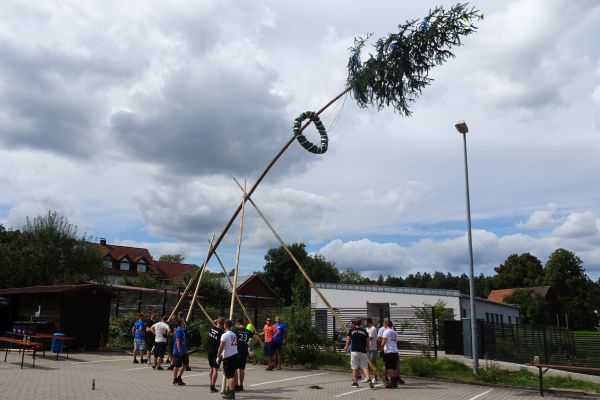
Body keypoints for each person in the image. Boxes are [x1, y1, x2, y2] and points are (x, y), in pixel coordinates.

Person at [233, 319, 262, 391]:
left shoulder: (235, 330)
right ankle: (241, 385)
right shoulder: (247, 331)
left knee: (234, 369)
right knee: (242, 369)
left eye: (235, 324)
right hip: (244, 351)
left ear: (237, 323)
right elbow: (256, 338)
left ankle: (236, 385)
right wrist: (251, 345)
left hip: (236, 351)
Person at [344, 318, 374, 389]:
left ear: (354, 324)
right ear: (360, 324)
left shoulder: (351, 330)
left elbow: (348, 341)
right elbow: (367, 342)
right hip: (363, 351)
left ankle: (355, 382)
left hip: (354, 351)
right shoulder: (364, 331)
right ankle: (369, 378)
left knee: (354, 367)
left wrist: (346, 347)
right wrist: (367, 349)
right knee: (365, 367)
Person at [217, 319, 239, 400]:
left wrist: (218, 356)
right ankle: (230, 390)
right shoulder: (234, 334)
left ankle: (231, 394)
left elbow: (221, 347)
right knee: (231, 374)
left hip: (229, 357)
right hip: (234, 355)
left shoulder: (225, 335)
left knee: (230, 376)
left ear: (225, 325)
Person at [380, 318, 404, 388]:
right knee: (394, 367)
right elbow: (395, 342)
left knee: (390, 368)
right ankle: (394, 382)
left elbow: (383, 342)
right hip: (395, 351)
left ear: (386, 324)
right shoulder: (394, 332)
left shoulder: (386, 331)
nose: (383, 325)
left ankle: (393, 384)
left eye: (384, 323)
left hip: (389, 352)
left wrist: (381, 349)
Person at [208, 317, 225, 393]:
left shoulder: (211, 329)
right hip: (217, 352)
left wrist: (216, 321)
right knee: (215, 369)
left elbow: (213, 322)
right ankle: (212, 386)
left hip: (210, 351)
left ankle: (211, 383)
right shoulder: (221, 333)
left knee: (211, 368)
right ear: (223, 324)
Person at [172, 316, 188, 386]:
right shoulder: (178, 330)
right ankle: (175, 379)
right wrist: (179, 350)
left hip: (183, 351)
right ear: (181, 323)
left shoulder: (182, 329)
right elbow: (178, 340)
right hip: (178, 351)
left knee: (185, 364)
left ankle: (179, 378)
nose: (184, 322)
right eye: (183, 321)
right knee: (177, 366)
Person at [365, 317, 379, 383]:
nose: (365, 323)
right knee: (367, 363)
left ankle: (375, 378)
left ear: (369, 322)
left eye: (365, 322)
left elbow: (370, 338)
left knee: (373, 363)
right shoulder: (366, 329)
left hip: (373, 348)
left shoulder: (373, 329)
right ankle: (368, 377)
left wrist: (362, 339)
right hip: (367, 348)